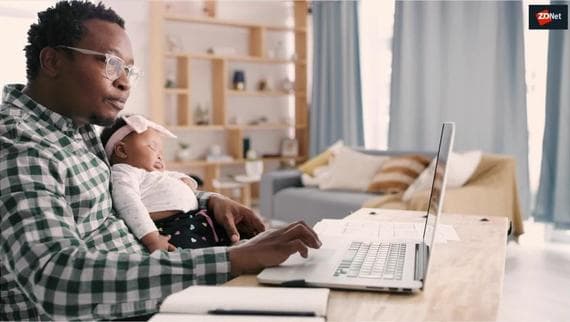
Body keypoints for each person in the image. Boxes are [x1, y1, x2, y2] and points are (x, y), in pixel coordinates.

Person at [0, 1, 321, 321]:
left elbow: (125, 190)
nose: (125, 82)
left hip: (148, 291)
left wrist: (208, 200)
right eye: (111, 64)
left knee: (307, 285)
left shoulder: (76, 126)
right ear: (53, 60)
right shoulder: (18, 146)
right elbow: (56, 280)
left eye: (130, 70)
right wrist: (233, 260)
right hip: (112, 310)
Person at [100, 114, 231, 252]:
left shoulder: (154, 174)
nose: (160, 155)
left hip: (194, 218)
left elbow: (175, 176)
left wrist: (186, 182)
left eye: (161, 151)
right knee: (199, 257)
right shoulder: (124, 173)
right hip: (169, 228)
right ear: (121, 150)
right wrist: (152, 239)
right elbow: (129, 205)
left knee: (226, 238)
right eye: (152, 147)